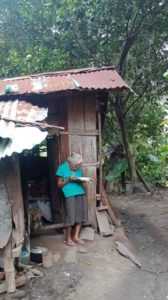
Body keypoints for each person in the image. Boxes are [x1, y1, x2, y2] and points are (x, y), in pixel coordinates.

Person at [56, 152, 88, 246]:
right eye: (77, 165)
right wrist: (68, 179)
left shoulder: (78, 169)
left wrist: (83, 180)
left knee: (80, 216)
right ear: (71, 163)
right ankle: (68, 238)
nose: (78, 167)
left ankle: (76, 237)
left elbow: (80, 182)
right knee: (70, 216)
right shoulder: (62, 168)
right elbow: (59, 185)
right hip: (69, 194)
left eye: (79, 165)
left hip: (80, 192)